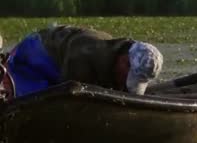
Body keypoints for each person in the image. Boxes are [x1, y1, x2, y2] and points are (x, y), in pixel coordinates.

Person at [0, 25, 163, 100]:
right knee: (36, 96)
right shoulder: (85, 58)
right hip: (38, 52)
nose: (126, 82)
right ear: (124, 61)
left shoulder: (118, 52)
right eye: (129, 76)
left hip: (61, 53)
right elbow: (67, 99)